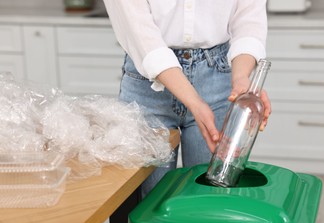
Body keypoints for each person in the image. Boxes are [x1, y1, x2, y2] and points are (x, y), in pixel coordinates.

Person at [103, 0, 271, 198]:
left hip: (218, 79)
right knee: (150, 203)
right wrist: (195, 102)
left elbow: (248, 17)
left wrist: (242, 79)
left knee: (210, 199)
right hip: (147, 80)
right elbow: (138, 32)